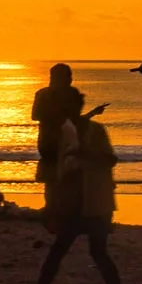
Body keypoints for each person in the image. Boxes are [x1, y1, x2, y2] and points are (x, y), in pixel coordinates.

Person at [19, 108, 128, 284]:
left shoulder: (95, 131)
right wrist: (53, 205)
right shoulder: (66, 133)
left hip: (96, 202)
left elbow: (110, 160)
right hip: (74, 204)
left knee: (96, 252)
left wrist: (83, 153)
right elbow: (63, 173)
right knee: (60, 251)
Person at [31, 64, 108, 210]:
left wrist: (92, 113)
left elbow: (74, 121)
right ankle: (55, 210)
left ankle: (57, 209)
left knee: (60, 179)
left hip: (54, 142)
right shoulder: (47, 94)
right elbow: (37, 116)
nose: (71, 79)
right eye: (68, 76)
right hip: (54, 143)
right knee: (57, 179)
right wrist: (59, 114)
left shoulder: (59, 93)